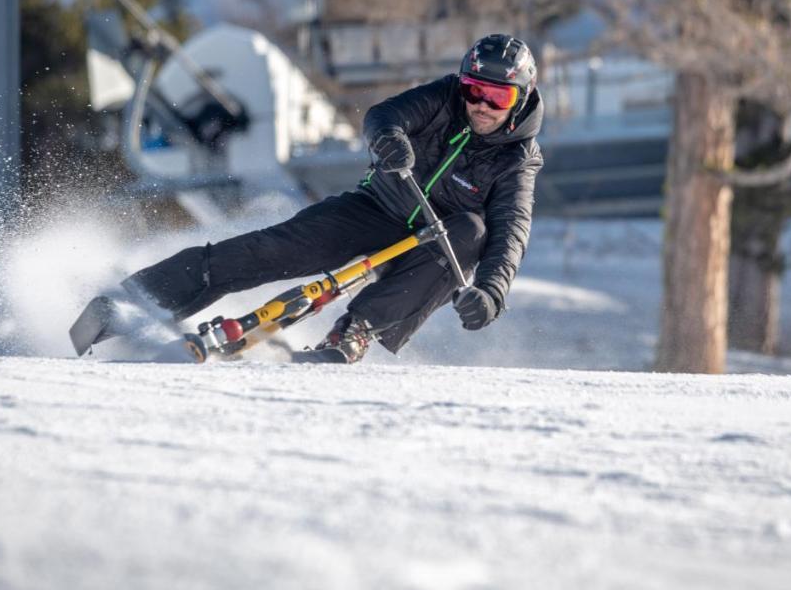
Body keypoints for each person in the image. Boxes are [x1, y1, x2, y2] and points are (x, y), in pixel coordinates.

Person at [77, 33, 544, 363]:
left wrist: (492, 292)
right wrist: (388, 140)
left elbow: (512, 231)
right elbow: (386, 116)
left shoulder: (519, 159)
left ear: (519, 101)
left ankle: (355, 330)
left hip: (430, 250)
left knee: (473, 230)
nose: (480, 105)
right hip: (376, 208)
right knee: (270, 248)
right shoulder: (444, 98)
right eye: (473, 90)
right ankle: (135, 301)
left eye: (496, 97)